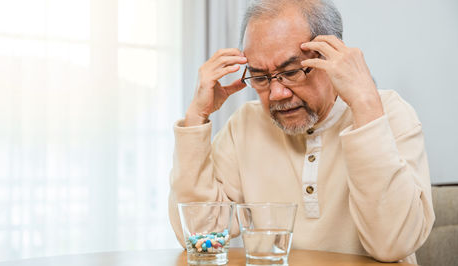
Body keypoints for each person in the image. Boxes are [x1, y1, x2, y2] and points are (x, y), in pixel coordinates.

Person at [168, 0, 434, 263]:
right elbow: (202, 234)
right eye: (260, 77)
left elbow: (393, 244)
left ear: (333, 57)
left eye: (292, 71)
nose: (276, 93)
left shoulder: (388, 112)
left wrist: (365, 106)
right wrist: (196, 117)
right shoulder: (245, 123)